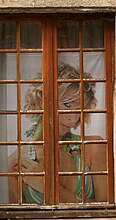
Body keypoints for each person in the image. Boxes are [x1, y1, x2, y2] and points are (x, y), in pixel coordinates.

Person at [8, 62, 107, 204]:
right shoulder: (16, 163)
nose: (72, 117)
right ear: (43, 100)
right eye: (68, 104)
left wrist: (47, 187)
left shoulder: (94, 147)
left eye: (80, 109)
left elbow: (104, 210)